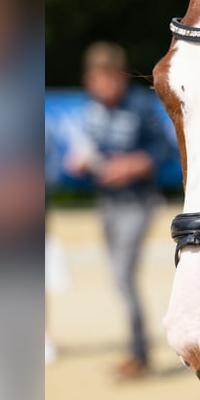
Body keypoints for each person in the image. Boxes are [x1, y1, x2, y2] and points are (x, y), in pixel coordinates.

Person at [65, 41, 168, 379]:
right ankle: (136, 349)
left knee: (123, 274)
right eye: (95, 80)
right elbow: (87, 152)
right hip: (106, 202)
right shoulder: (90, 108)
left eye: (107, 79)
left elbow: (164, 149)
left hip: (138, 203)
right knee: (117, 276)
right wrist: (79, 165)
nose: (101, 87)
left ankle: (139, 354)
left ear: (119, 78)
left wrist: (133, 165)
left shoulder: (139, 106)